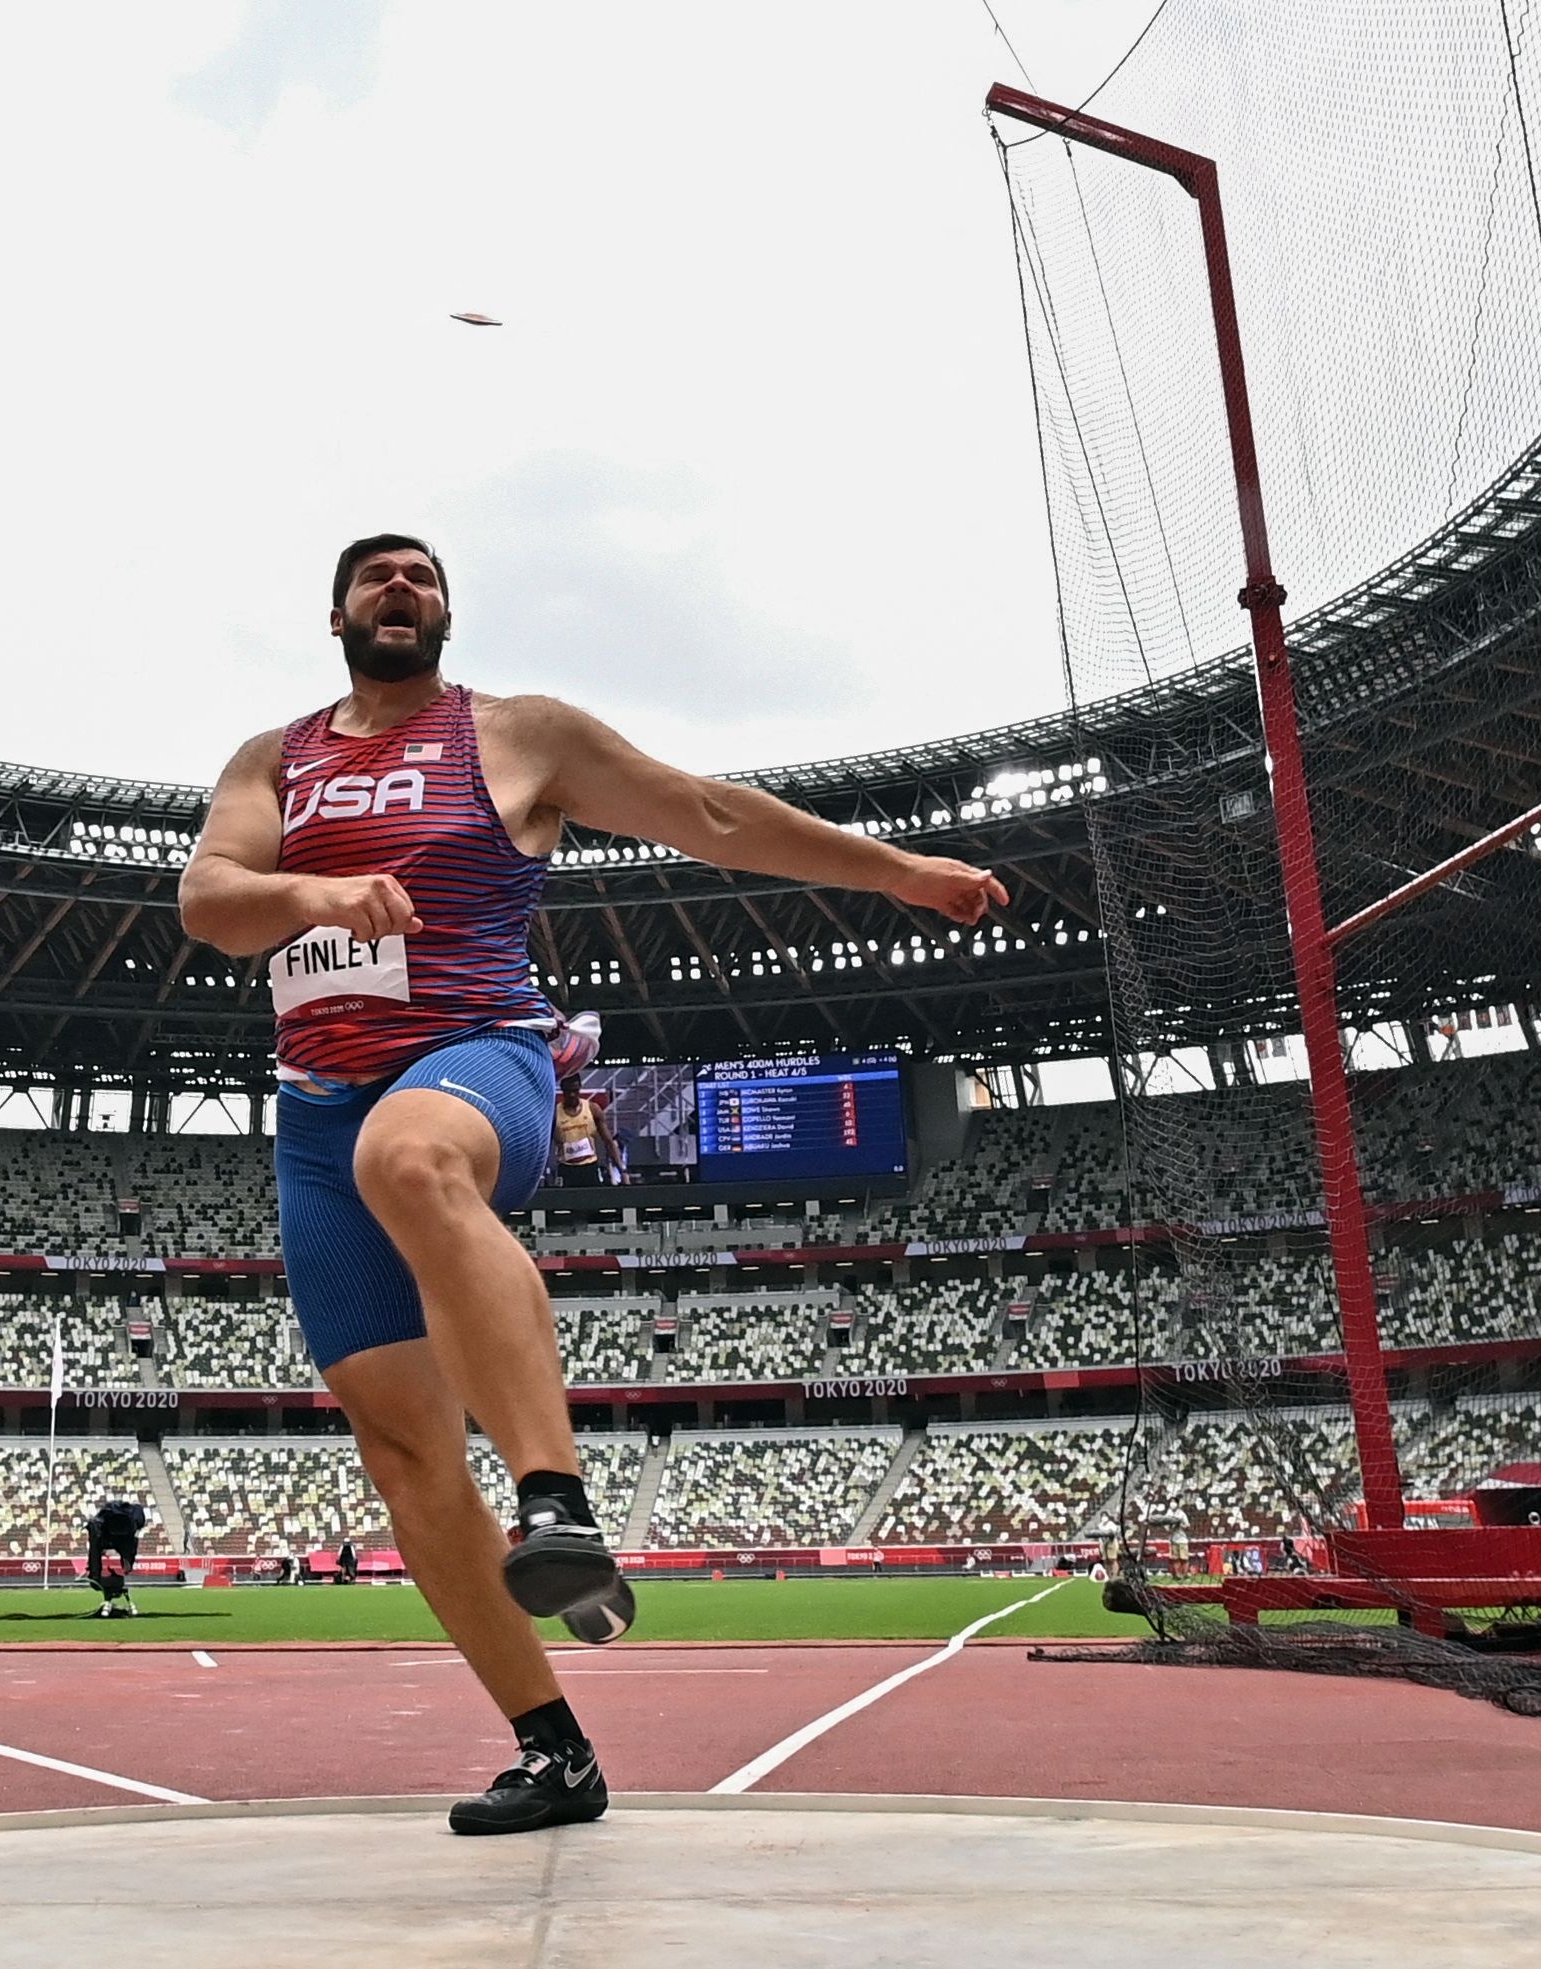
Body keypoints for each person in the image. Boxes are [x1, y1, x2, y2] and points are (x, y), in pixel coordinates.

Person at [180, 533, 1006, 1834]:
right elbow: (213, 901)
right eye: (377, 574)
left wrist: (894, 872)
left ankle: (554, 1501)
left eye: (424, 575)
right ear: (334, 610)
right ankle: (554, 1750)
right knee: (402, 1455)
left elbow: (710, 813)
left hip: (479, 1056)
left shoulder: (518, 734)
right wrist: (320, 891)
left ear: (447, 612)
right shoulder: (273, 759)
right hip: (312, 1120)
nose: (401, 586)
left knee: (416, 1160)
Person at [549, 1077, 619, 1188]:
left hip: (589, 1167)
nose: (572, 1095)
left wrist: (622, 1170)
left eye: (575, 1091)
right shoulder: (554, 1113)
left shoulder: (592, 1109)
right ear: (562, 1090)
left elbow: (608, 1142)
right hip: (567, 1169)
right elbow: (545, 1144)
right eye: (568, 1091)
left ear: (580, 1089)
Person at [86, 1494, 148, 1617]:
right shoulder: (102, 1525)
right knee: (125, 1562)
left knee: (124, 1562)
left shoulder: (132, 1517)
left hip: (120, 1538)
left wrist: (94, 1575)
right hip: (117, 1537)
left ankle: (106, 1595)